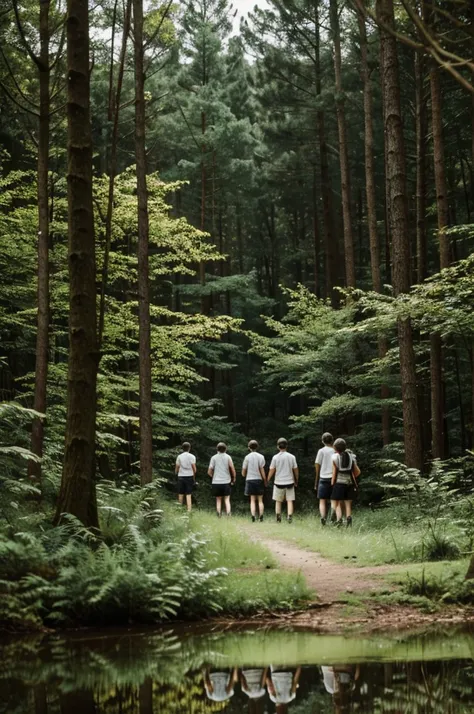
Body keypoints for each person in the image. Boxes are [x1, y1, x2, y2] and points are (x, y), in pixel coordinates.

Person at [331, 438, 361, 527]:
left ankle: (334, 517)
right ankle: (348, 520)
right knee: (348, 503)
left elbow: (334, 472)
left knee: (335, 501)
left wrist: (332, 483)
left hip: (339, 482)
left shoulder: (335, 457)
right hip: (349, 483)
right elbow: (357, 472)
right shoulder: (352, 457)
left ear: (335, 448)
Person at [267, 438, 299, 523]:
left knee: (278, 500)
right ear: (286, 446)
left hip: (278, 482)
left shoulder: (275, 458)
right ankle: (289, 517)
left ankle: (278, 517)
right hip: (290, 482)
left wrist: (267, 479)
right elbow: (295, 470)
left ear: (278, 446)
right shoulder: (292, 457)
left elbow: (272, 470)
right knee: (290, 500)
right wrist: (296, 479)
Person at [208, 442, 236, 517]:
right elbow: (232, 469)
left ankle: (218, 515)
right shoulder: (228, 457)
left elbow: (209, 471)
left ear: (217, 449)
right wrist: (233, 479)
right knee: (227, 499)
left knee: (218, 499)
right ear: (225, 449)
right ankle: (228, 515)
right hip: (226, 481)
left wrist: (213, 477)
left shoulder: (213, 458)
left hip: (216, 482)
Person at [242, 440, 266, 522]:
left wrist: (244, 475)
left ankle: (253, 516)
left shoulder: (247, 457)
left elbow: (243, 471)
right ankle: (261, 516)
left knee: (252, 500)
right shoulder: (261, 457)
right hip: (258, 479)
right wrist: (265, 479)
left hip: (250, 479)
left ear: (249, 447)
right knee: (260, 500)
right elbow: (262, 469)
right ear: (257, 447)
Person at [314, 432, 335, 526]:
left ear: (322, 441)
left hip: (323, 478)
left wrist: (317, 477)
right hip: (334, 478)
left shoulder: (321, 451)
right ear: (332, 440)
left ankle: (323, 517)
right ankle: (333, 517)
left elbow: (317, 464)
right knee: (334, 499)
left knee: (322, 500)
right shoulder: (335, 450)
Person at [175, 442, 196, 512]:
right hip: (189, 476)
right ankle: (189, 510)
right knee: (188, 494)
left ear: (182, 448)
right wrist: (194, 477)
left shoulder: (179, 456)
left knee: (180, 493)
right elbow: (194, 469)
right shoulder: (192, 456)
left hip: (181, 476)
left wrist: (176, 473)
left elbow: (177, 467)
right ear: (189, 448)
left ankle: (179, 508)